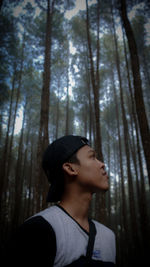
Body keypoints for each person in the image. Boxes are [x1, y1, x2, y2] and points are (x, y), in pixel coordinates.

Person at [5, 135, 116, 266]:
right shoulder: (38, 230)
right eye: (92, 157)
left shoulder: (108, 236)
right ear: (70, 168)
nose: (102, 164)